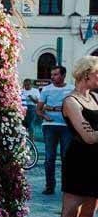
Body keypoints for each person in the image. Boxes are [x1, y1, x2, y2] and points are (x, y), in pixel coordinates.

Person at [55, 56, 98, 217]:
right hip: (79, 161)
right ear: (87, 75)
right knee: (69, 214)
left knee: (89, 216)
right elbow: (89, 136)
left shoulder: (94, 98)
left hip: (95, 162)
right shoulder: (71, 101)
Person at [38, 65, 74, 195]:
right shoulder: (46, 89)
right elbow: (38, 109)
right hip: (49, 127)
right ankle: (49, 186)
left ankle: (67, 186)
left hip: (66, 127)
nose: (52, 77)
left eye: (55, 74)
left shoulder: (71, 88)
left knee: (66, 157)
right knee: (49, 157)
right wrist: (45, 115)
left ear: (63, 75)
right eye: (52, 74)